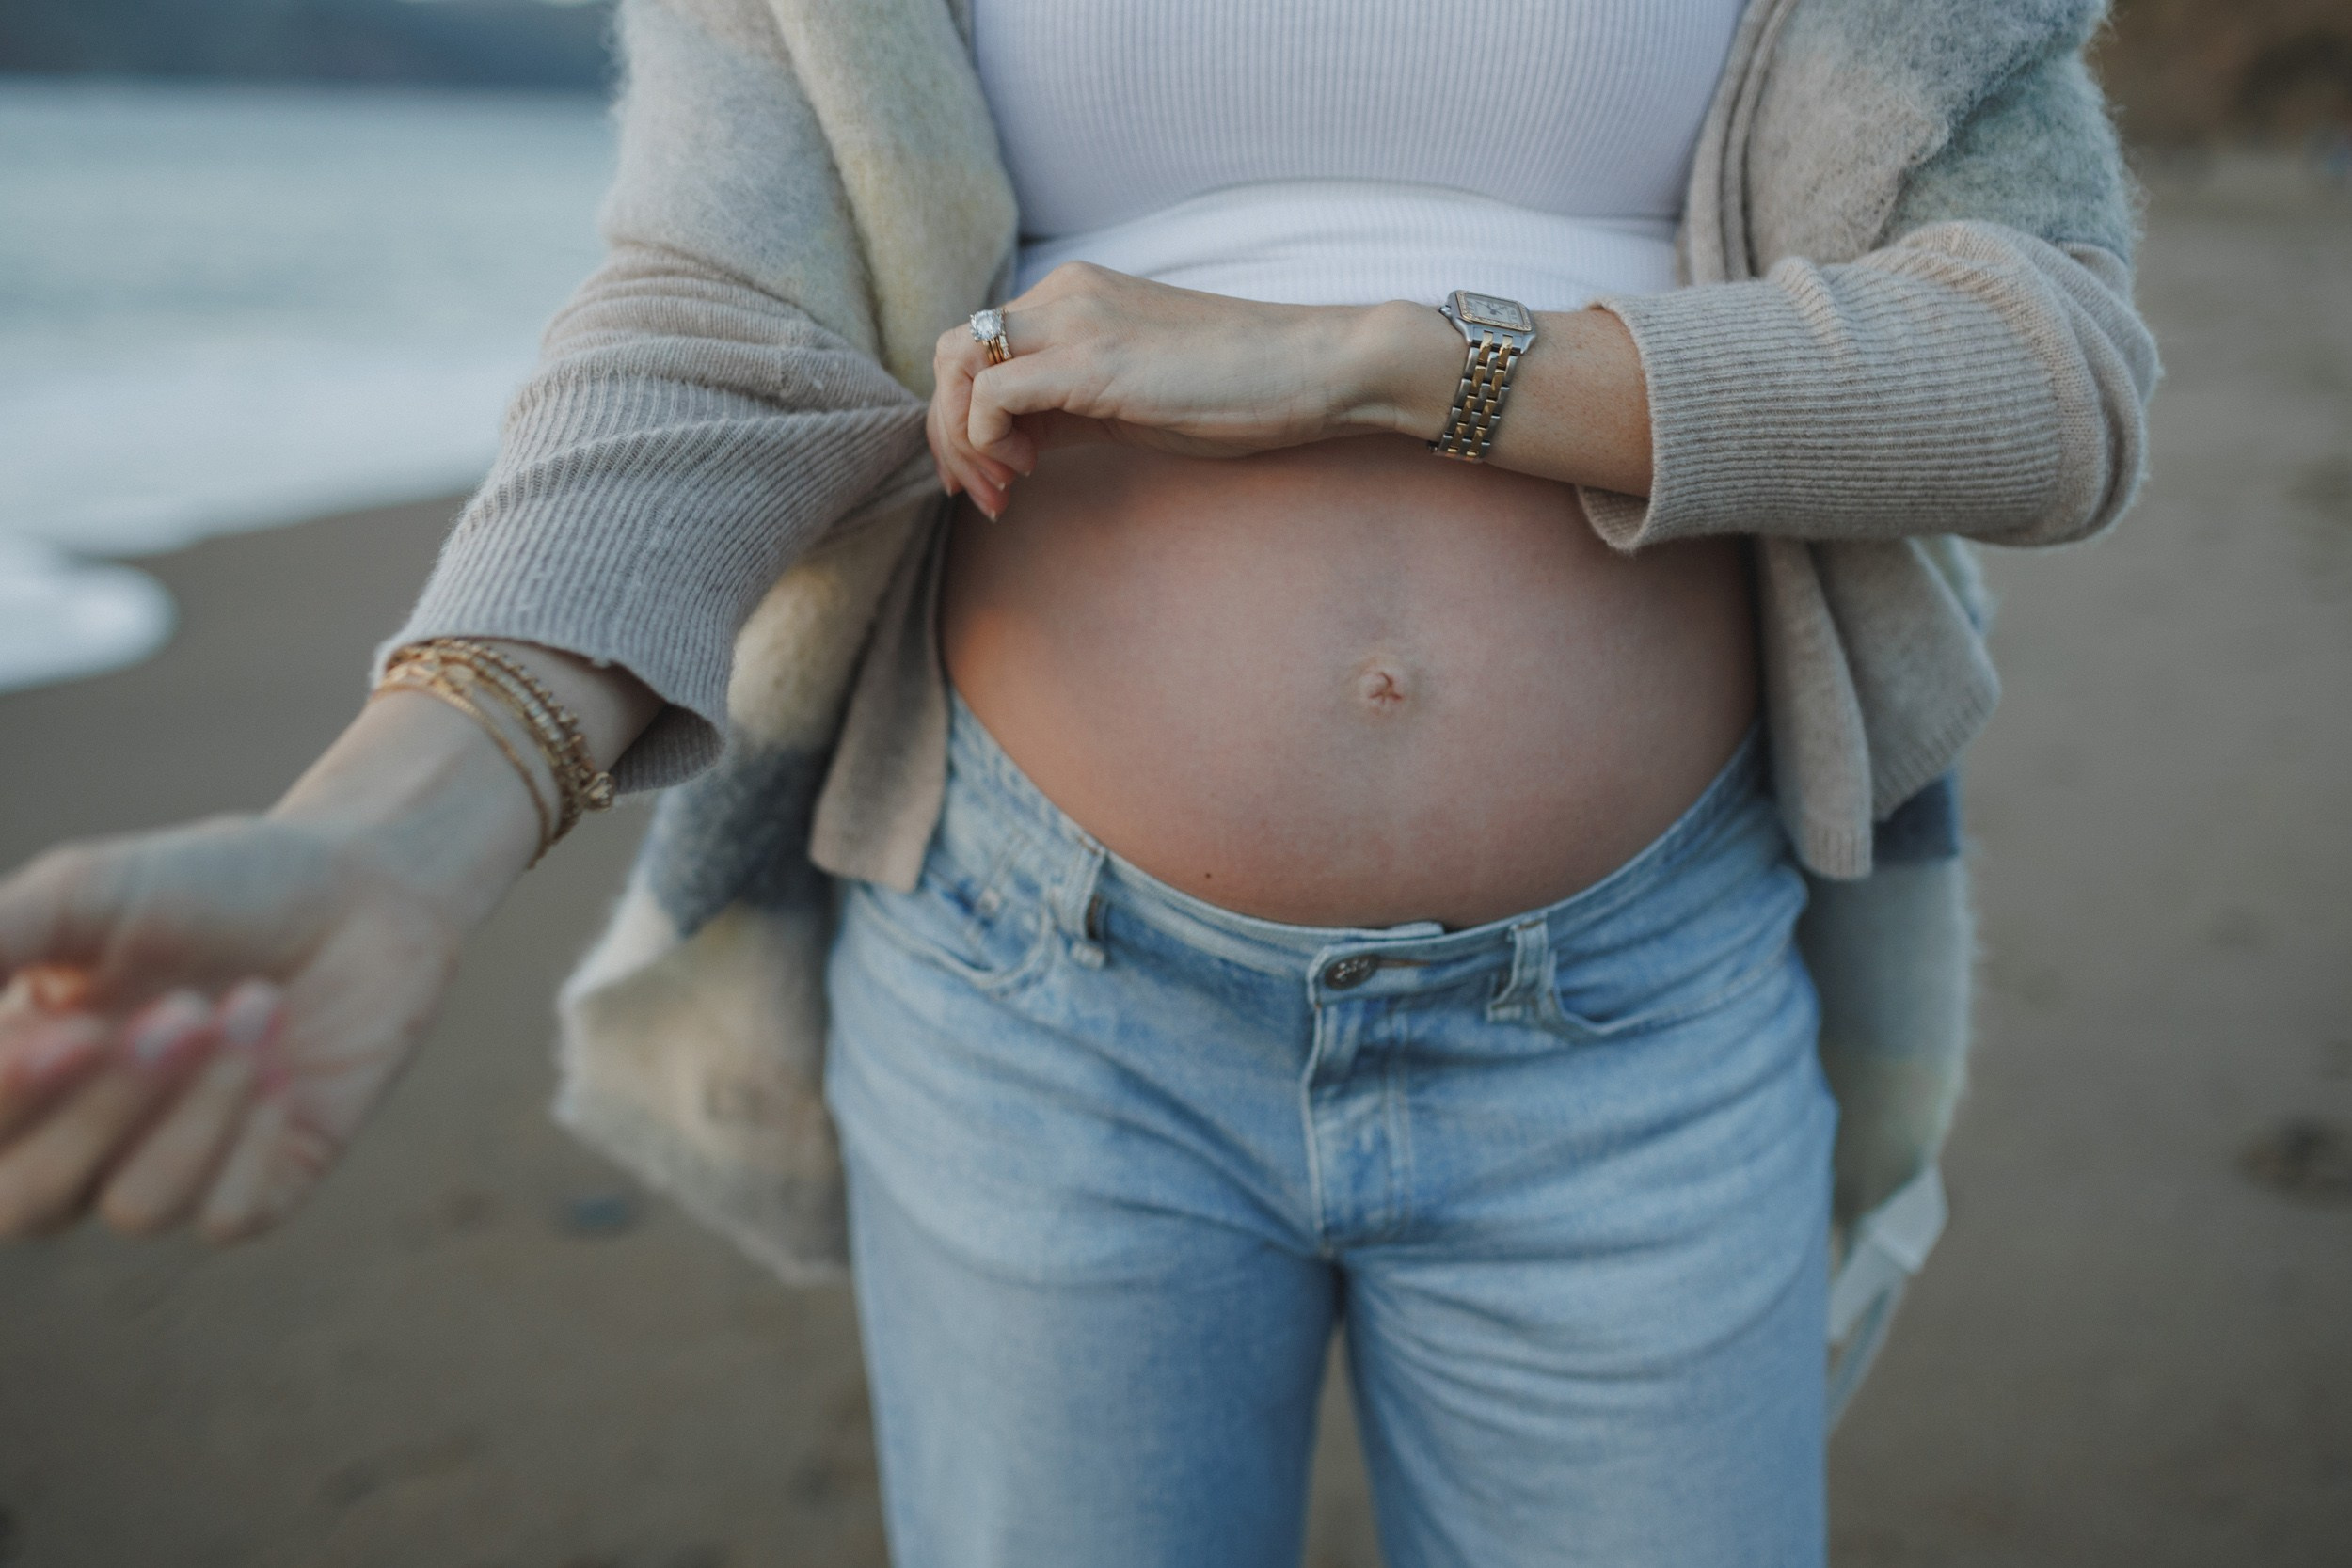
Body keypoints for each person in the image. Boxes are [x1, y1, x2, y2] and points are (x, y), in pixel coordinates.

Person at [0, 0, 2157, 1562]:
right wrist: (400, 822)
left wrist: (1404, 360)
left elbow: (2046, 372)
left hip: (1641, 1004)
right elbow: (712, 325)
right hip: (1037, 1000)